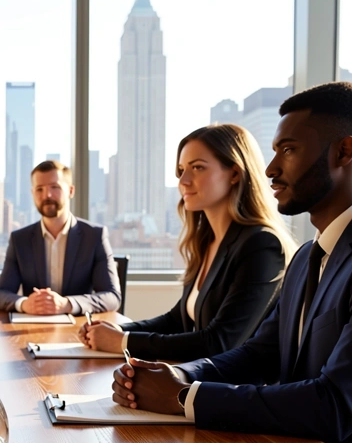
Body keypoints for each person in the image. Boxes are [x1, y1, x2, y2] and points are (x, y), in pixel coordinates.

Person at [111, 82, 352, 443]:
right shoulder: (306, 258)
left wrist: (186, 397)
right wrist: (181, 374)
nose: (270, 169)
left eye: (288, 150)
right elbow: (259, 354)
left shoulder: (269, 246)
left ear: (345, 151)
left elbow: (335, 405)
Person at [79, 124, 294, 361]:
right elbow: (177, 320)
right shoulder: (207, 241)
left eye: (198, 168)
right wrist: (115, 331)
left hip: (233, 391)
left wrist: (123, 342)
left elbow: (220, 342)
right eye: (181, 170)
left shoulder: (262, 245)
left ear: (234, 174)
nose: (183, 180)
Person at [0, 159, 121, 315]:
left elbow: (112, 296)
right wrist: (24, 304)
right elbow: (1, 294)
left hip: (79, 331)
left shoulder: (94, 236)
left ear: (71, 191)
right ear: (32, 193)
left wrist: (67, 304)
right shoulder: (20, 239)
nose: (47, 195)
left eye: (55, 187)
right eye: (39, 189)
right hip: (31, 329)